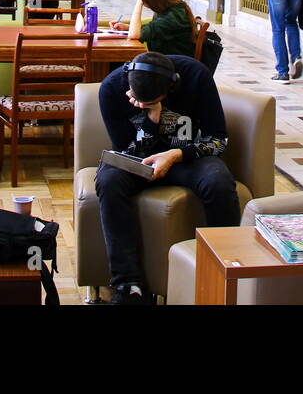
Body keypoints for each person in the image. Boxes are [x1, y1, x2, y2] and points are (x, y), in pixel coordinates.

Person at [95, 52, 239, 304]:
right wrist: (152, 117)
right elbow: (125, 148)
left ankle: (224, 271)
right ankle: (128, 285)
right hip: (139, 160)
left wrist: (175, 154)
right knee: (109, 181)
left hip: (186, 158)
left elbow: (218, 139)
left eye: (155, 100)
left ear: (173, 85)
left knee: (218, 181)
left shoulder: (196, 76)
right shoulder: (111, 88)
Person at [112, 0, 197, 57]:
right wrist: (127, 27)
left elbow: (134, 35)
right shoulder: (174, 7)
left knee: (115, 62)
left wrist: (138, 4)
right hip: (165, 58)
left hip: (172, 63)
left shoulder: (171, 17)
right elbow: (155, 28)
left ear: (152, 0)